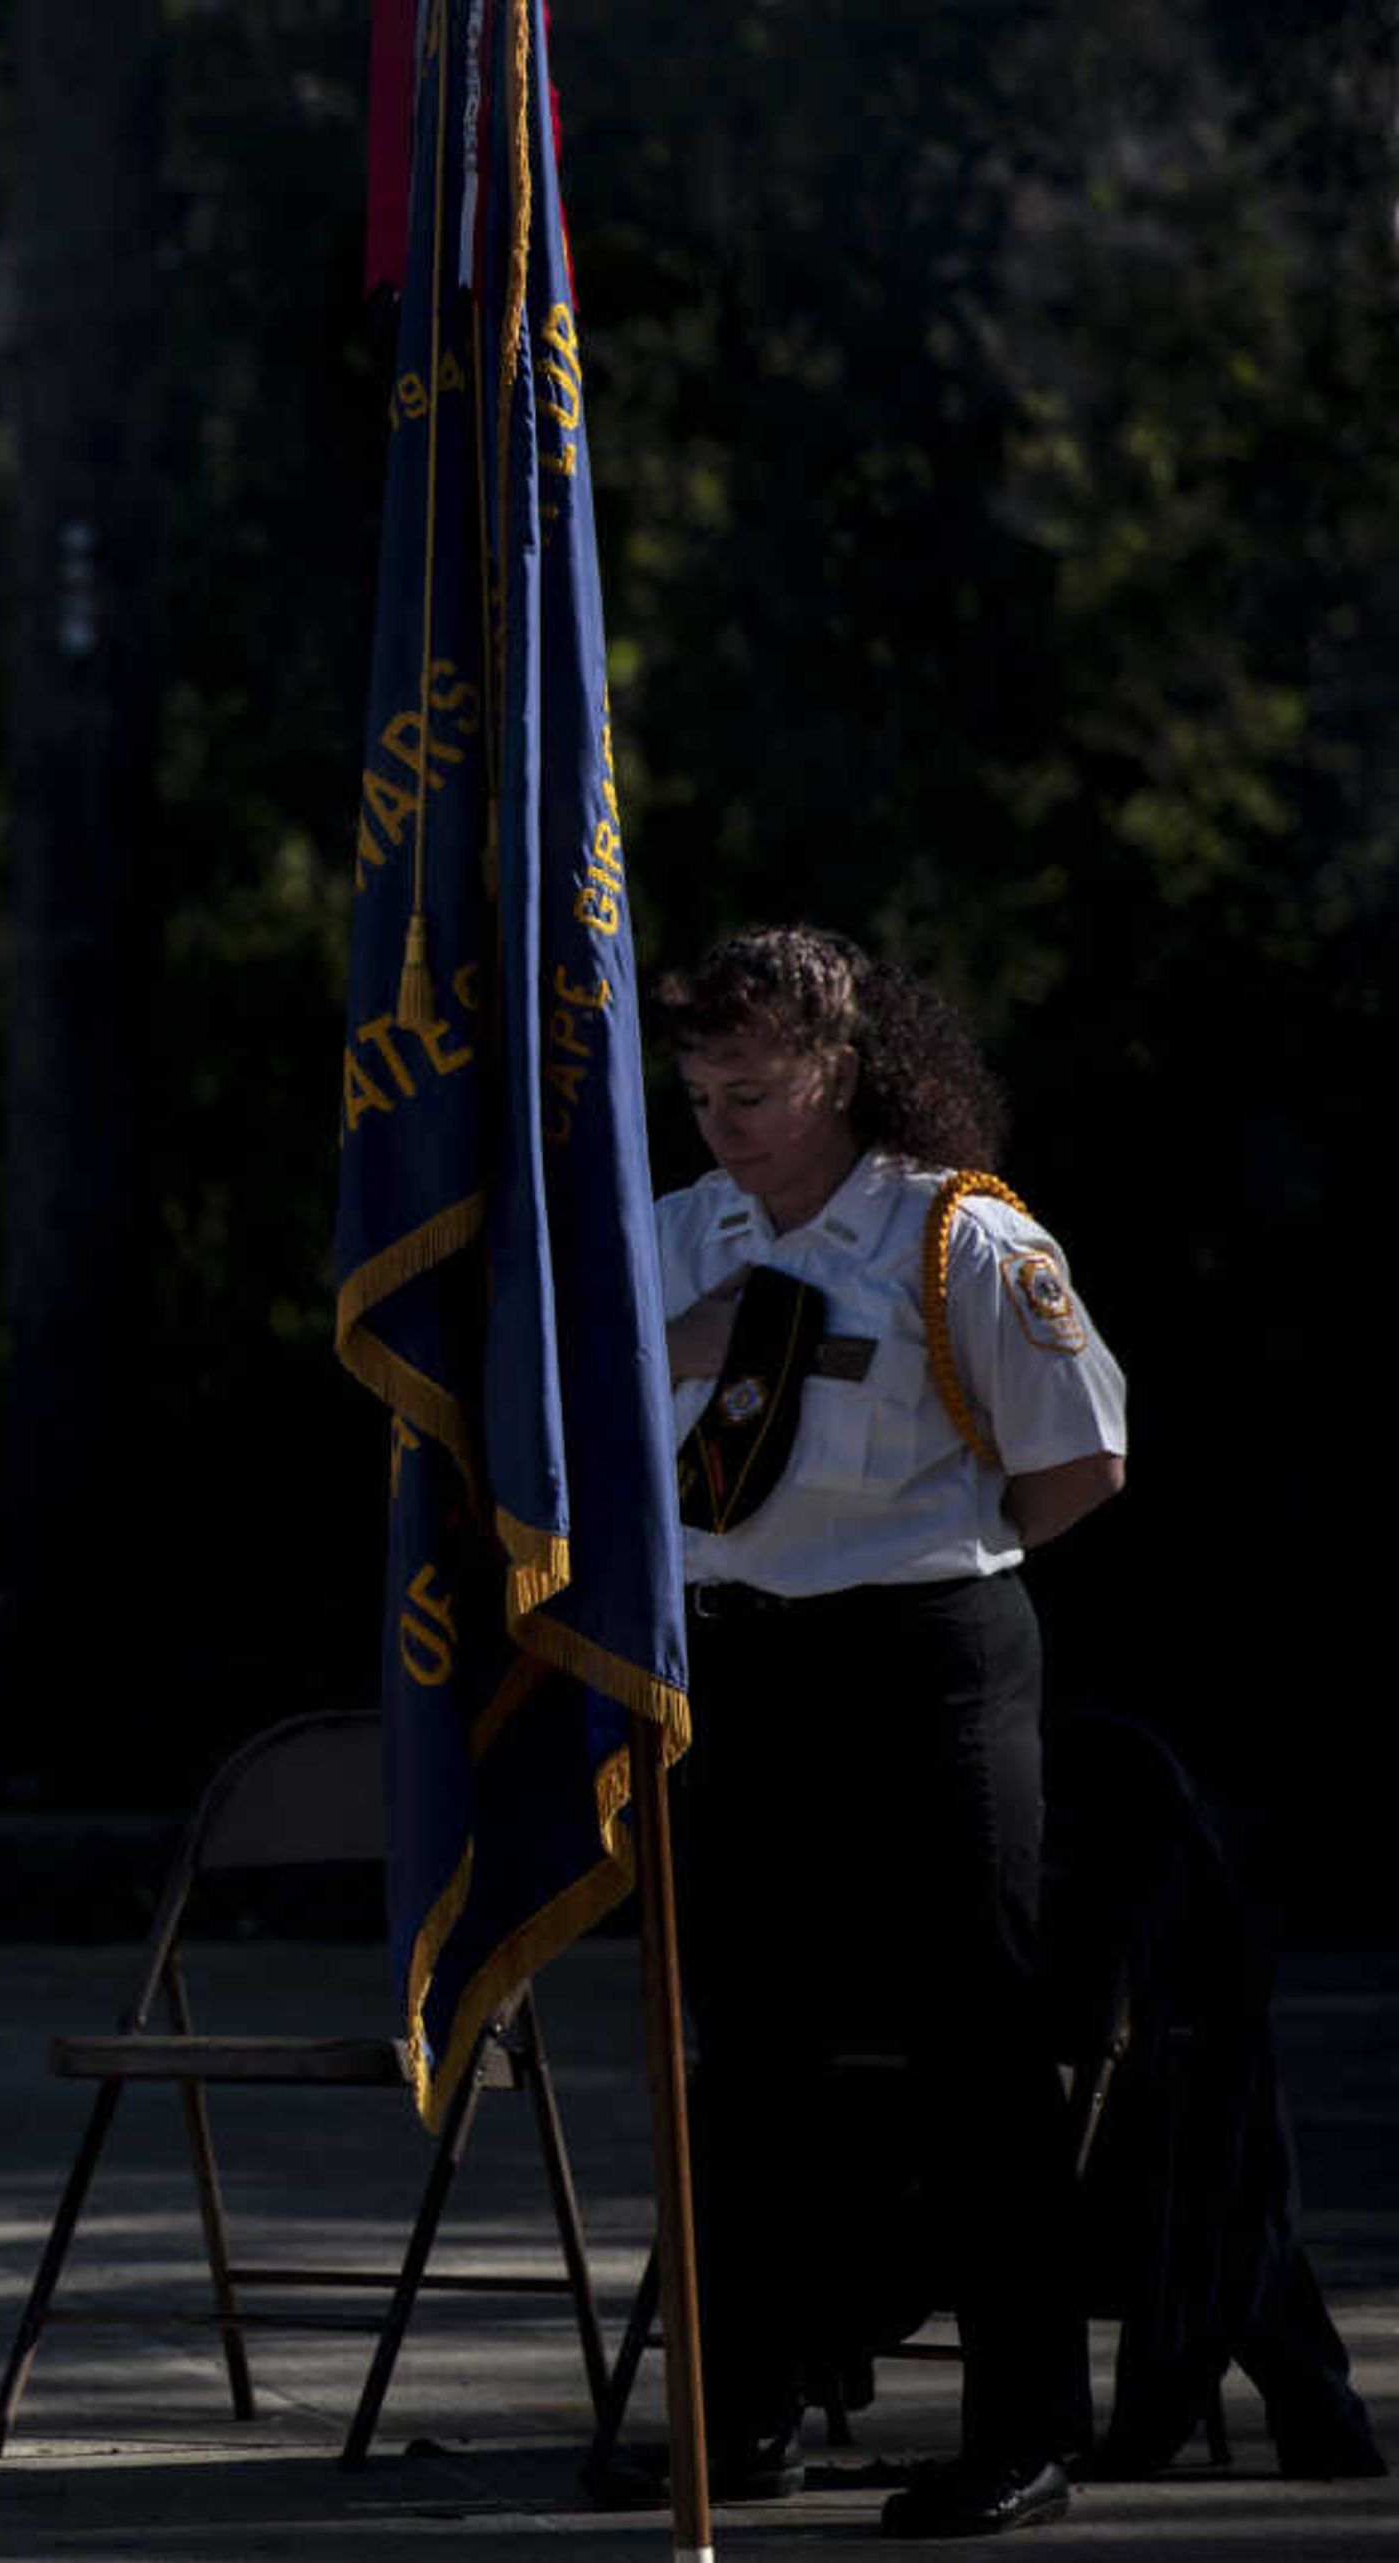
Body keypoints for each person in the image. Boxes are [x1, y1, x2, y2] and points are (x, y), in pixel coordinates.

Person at [651, 924, 1129, 2541]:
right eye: (704, 1090)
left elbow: (1076, 1463)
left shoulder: (958, 1240)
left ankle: (1022, 2429)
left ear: (846, 1071)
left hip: (924, 1657)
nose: (727, 1124)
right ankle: (747, 2411)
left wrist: (911, 1555)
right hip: (739, 1663)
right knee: (748, 2055)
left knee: (977, 2042)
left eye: (760, 1091)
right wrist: (686, 1343)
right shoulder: (673, 1235)